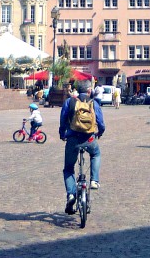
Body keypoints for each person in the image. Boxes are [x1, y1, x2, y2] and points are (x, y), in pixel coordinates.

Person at [59, 80, 105, 214]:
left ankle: (71, 194)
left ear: (77, 90)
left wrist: (62, 134)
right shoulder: (93, 103)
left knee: (68, 168)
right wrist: (99, 133)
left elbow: (62, 121)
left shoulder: (69, 102)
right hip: (89, 138)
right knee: (96, 154)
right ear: (89, 90)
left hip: (73, 139)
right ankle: (94, 180)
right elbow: (101, 123)